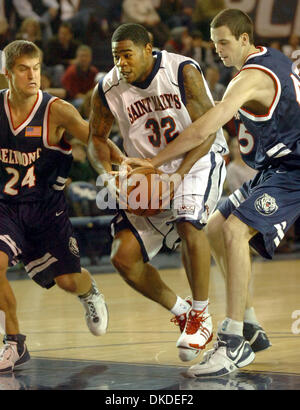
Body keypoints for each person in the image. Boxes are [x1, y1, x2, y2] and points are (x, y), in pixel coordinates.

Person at [125, 8, 299, 377]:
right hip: (277, 167)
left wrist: (157, 162)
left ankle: (233, 340)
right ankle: (251, 326)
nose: (218, 49)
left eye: (224, 42)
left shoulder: (249, 77)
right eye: (214, 42)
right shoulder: (274, 58)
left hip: (294, 170)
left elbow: (205, 129)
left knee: (236, 230)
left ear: (244, 40)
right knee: (217, 226)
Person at [87, 23, 228, 363]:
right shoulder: (107, 88)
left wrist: (177, 175)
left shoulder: (182, 70)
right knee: (123, 257)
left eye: (127, 54)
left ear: (148, 48)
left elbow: (206, 129)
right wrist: (108, 177)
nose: (121, 62)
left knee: (188, 222)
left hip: (196, 159)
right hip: (147, 171)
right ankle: (180, 310)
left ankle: (200, 313)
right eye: (115, 56)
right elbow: (95, 139)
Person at [0, 40, 109, 374]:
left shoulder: (56, 110)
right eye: (23, 69)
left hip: (47, 211)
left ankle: (89, 291)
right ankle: (15, 342)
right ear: (7, 73)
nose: (33, 75)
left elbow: (93, 140)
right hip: (6, 207)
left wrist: (115, 167)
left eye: (37, 67)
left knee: (66, 281)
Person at [61, 45, 99, 109]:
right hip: (71, 100)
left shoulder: (94, 72)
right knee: (82, 103)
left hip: (88, 99)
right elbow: (74, 94)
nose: (84, 59)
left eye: (86, 56)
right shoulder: (71, 72)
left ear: (90, 58)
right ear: (77, 57)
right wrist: (88, 99)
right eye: (81, 56)